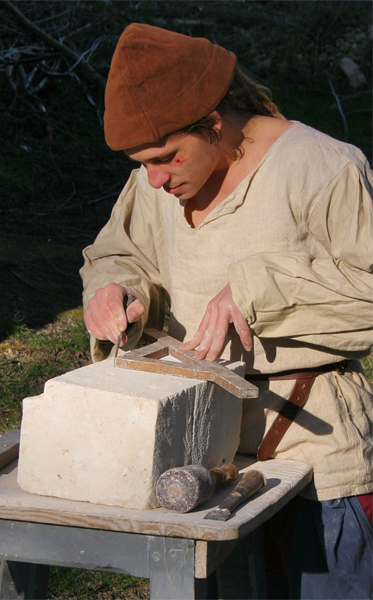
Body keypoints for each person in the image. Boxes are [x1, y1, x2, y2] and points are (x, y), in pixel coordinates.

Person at [80, 23, 373, 599]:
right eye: (143, 165)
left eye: (166, 158)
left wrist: (258, 289)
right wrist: (115, 289)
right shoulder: (154, 183)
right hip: (196, 451)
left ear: (214, 123)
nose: (156, 179)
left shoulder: (323, 168)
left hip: (314, 453)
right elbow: (121, 250)